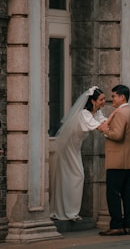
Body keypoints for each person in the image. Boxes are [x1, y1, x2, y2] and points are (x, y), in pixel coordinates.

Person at [50, 86, 108, 221]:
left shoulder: (96, 112)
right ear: (93, 101)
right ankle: (69, 212)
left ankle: (67, 211)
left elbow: (103, 121)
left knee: (71, 177)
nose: (104, 101)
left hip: (75, 147)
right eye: (101, 99)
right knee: (77, 176)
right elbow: (101, 127)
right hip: (68, 146)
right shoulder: (84, 114)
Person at [99, 84, 130, 236]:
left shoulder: (121, 113)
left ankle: (116, 226)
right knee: (127, 193)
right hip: (127, 159)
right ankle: (127, 226)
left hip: (117, 160)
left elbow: (117, 135)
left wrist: (104, 130)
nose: (112, 99)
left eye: (114, 96)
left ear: (122, 97)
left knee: (113, 193)